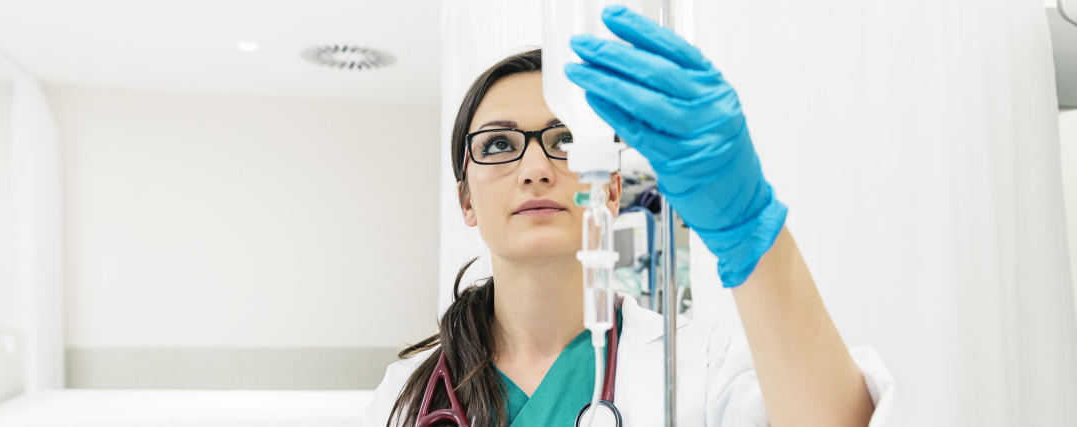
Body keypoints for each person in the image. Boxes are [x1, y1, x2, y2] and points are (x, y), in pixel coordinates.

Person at [363, 5, 899, 427]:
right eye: (499, 144)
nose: (535, 168)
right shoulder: (409, 393)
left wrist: (747, 224)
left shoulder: (695, 366)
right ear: (466, 201)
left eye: (565, 140)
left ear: (611, 187)